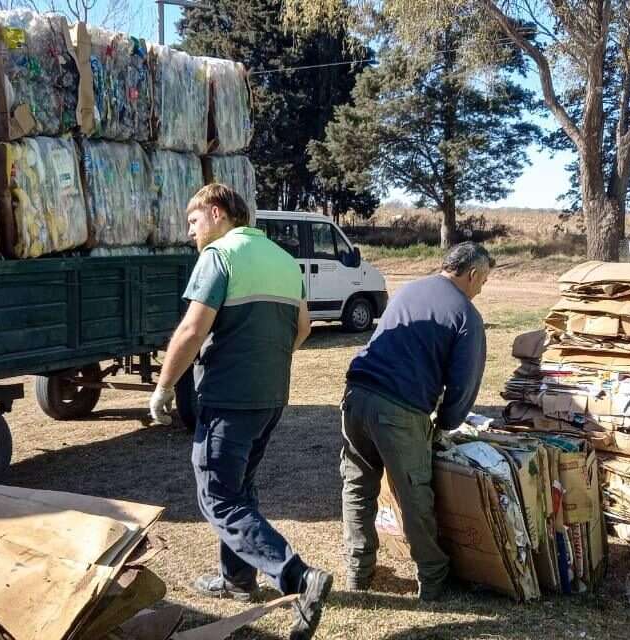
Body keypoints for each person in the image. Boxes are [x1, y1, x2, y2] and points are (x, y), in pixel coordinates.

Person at [149, 184, 333, 640]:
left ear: (216, 213)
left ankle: (297, 576)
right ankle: (237, 582)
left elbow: (192, 329)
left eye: (193, 222)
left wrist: (164, 385)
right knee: (240, 489)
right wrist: (266, 362)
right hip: (271, 397)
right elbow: (304, 328)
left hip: (228, 399)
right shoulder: (283, 260)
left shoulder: (219, 256)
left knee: (218, 498)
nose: (190, 233)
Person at [339, 241, 493, 601]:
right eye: (483, 281)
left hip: (355, 394)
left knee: (358, 485)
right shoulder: (466, 316)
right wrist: (445, 425)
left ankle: (357, 570)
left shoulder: (410, 290)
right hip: (398, 408)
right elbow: (464, 383)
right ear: (472, 274)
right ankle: (434, 577)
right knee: (414, 493)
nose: (482, 289)